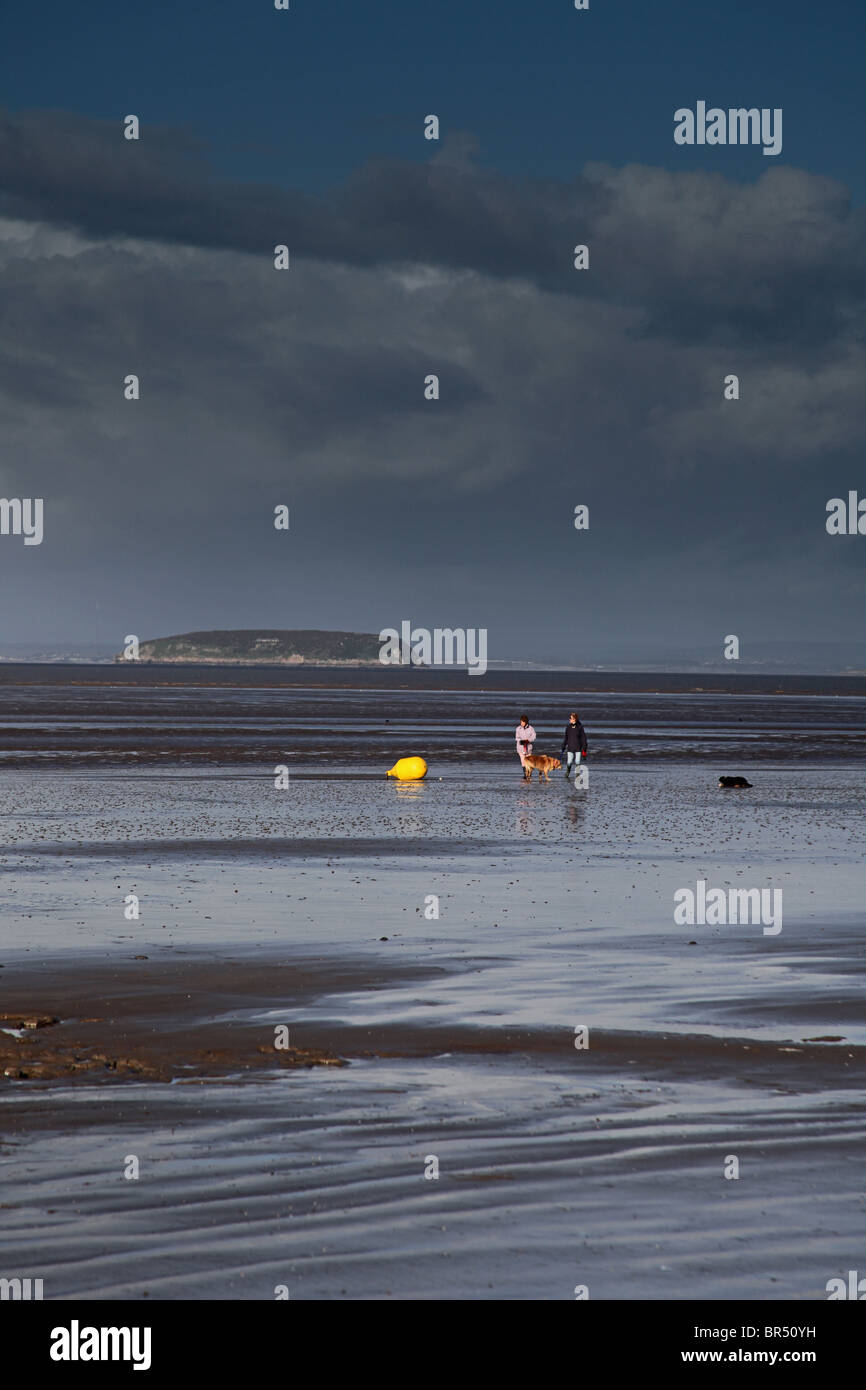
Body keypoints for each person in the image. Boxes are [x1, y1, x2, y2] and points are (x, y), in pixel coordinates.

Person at [561, 711, 588, 778]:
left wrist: (584, 747)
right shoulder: (568, 727)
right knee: (569, 762)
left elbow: (583, 738)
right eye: (570, 718)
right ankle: (567, 772)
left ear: (575, 719)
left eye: (571, 718)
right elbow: (566, 737)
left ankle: (577, 774)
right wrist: (563, 745)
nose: (570, 720)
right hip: (570, 747)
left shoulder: (580, 727)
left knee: (577, 762)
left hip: (578, 747)